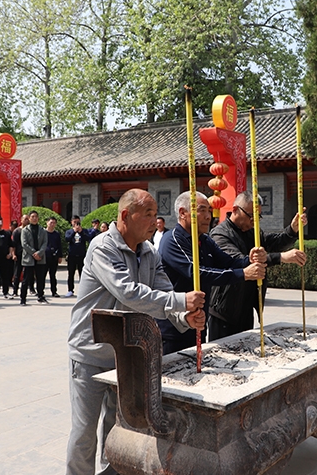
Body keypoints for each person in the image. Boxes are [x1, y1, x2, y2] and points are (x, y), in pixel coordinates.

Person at [66, 189, 205, 475]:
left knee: (116, 430)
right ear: (126, 216)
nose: (156, 221)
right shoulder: (102, 247)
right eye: (149, 214)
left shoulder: (148, 252)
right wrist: (181, 301)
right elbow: (129, 293)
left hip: (126, 356)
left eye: (156, 215)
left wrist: (185, 317)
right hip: (91, 353)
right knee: (84, 433)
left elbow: (163, 288)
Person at [158, 191, 266, 354]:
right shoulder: (172, 240)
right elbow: (198, 273)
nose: (208, 216)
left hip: (199, 322)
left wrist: (249, 259)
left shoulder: (205, 240)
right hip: (173, 328)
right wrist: (244, 273)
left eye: (209, 210)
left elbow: (229, 263)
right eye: (202, 210)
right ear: (183, 213)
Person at [208, 191, 307, 340]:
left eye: (258, 216)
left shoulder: (253, 232)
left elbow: (275, 242)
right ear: (235, 209)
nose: (254, 221)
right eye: (251, 216)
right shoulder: (220, 234)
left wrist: (292, 229)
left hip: (246, 308)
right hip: (224, 311)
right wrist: (281, 258)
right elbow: (238, 261)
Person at [20, 210, 48, 306]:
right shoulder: (25, 230)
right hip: (29, 258)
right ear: (29, 218)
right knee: (26, 279)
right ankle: (23, 298)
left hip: (40, 258)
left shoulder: (43, 230)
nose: (34, 218)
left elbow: (45, 243)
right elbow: (24, 244)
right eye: (32, 216)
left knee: (40, 278)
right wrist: (34, 253)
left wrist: (39, 253)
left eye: (36, 216)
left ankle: (40, 296)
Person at [64, 216, 87, 297]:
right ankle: (70, 290)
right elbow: (67, 239)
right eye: (74, 222)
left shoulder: (84, 231)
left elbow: (87, 238)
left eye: (78, 222)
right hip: (72, 255)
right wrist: (74, 232)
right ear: (71, 222)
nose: (76, 224)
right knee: (71, 273)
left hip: (81, 255)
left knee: (82, 274)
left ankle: (83, 290)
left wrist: (80, 232)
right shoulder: (69, 231)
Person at [11, 215, 28, 297]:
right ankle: (15, 290)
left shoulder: (30, 230)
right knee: (17, 273)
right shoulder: (17, 231)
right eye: (25, 219)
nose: (26, 220)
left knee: (29, 273)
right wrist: (13, 254)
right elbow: (13, 244)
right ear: (21, 220)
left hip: (28, 255)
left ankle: (31, 289)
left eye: (28, 219)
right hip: (19, 254)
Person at [45, 217, 63, 297]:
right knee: (42, 275)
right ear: (47, 223)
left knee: (53, 275)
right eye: (51, 222)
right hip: (44, 257)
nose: (52, 224)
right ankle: (40, 291)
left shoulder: (56, 234)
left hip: (54, 257)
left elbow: (59, 245)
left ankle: (54, 291)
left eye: (54, 223)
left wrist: (60, 256)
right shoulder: (43, 233)